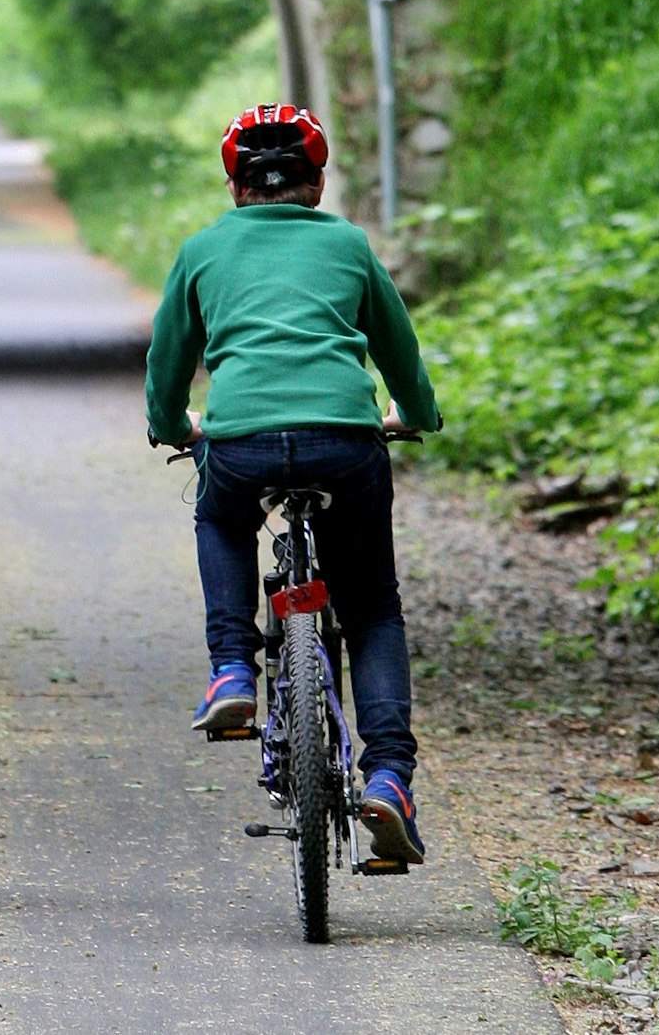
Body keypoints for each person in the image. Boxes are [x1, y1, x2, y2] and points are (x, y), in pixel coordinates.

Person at [143, 104, 442, 865]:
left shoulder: (203, 249)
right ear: (314, 182)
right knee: (372, 605)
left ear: (236, 184)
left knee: (220, 518)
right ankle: (389, 777)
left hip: (239, 440)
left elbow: (169, 362)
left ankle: (233, 668)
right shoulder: (346, 243)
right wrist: (414, 413)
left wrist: (174, 424)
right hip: (345, 440)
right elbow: (397, 348)